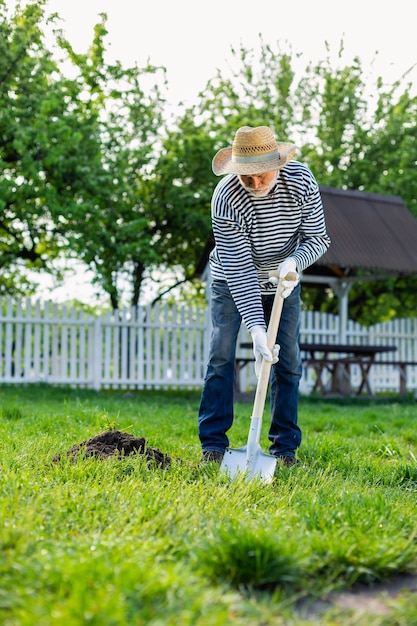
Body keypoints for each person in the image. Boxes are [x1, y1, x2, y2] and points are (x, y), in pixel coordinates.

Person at [198, 125, 331, 467]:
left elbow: (318, 238)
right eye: (247, 178)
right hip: (232, 280)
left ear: (279, 162)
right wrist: (257, 330)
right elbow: (239, 270)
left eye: (262, 175)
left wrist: (294, 263)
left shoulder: (301, 181)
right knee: (221, 355)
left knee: (287, 362)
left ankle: (284, 449)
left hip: (284, 280)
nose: (256, 185)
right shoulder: (226, 197)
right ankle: (213, 445)